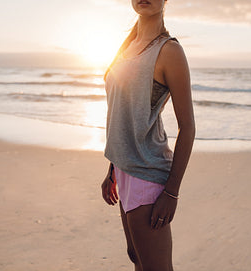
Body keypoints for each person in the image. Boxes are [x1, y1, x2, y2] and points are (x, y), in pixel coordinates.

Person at [100, 0, 195, 270]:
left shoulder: (169, 51)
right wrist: (113, 169)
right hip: (124, 171)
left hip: (147, 173)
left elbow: (187, 126)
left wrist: (172, 193)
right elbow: (122, 115)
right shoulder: (125, 47)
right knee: (136, 258)